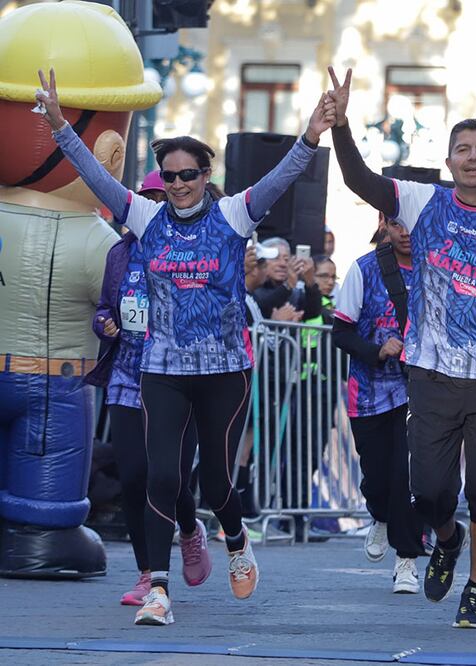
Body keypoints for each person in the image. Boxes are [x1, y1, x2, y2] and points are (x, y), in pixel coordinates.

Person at [35, 67, 335, 625]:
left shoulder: (233, 214)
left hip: (225, 370)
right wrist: (59, 126)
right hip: (163, 367)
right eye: (169, 176)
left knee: (218, 483)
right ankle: (158, 590)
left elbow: (284, 175)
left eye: (188, 175)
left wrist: (312, 132)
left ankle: (237, 540)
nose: (177, 185)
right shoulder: (147, 218)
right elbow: (96, 180)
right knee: (161, 475)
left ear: (205, 175)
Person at [326, 66, 476, 629]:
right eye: (464, 149)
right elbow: (360, 180)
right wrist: (340, 125)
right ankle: (447, 539)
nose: (474, 157)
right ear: (451, 160)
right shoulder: (420, 201)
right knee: (430, 491)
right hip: (429, 373)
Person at [84, 172, 211, 606]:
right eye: (146, 198)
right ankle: (146, 575)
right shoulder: (120, 253)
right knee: (135, 479)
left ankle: (190, 530)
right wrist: (105, 323)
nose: (153, 205)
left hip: (178, 378)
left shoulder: (189, 247)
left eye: (160, 199)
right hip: (127, 376)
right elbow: (104, 308)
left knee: (169, 478)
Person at [331, 214, 424, 592]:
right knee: (378, 477)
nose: (406, 233)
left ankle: (406, 561)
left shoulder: (440, 269)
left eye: (415, 225)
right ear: (385, 225)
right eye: (399, 224)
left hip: (417, 391)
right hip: (369, 392)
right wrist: (377, 350)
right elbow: (341, 332)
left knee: (407, 476)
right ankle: (380, 517)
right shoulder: (364, 270)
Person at [253, 237, 321, 319]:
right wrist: (287, 285)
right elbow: (263, 306)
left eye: (286, 259)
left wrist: (310, 283)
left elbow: (313, 312)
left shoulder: (295, 291)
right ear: (262, 261)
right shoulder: (254, 287)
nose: (283, 264)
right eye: (275, 258)